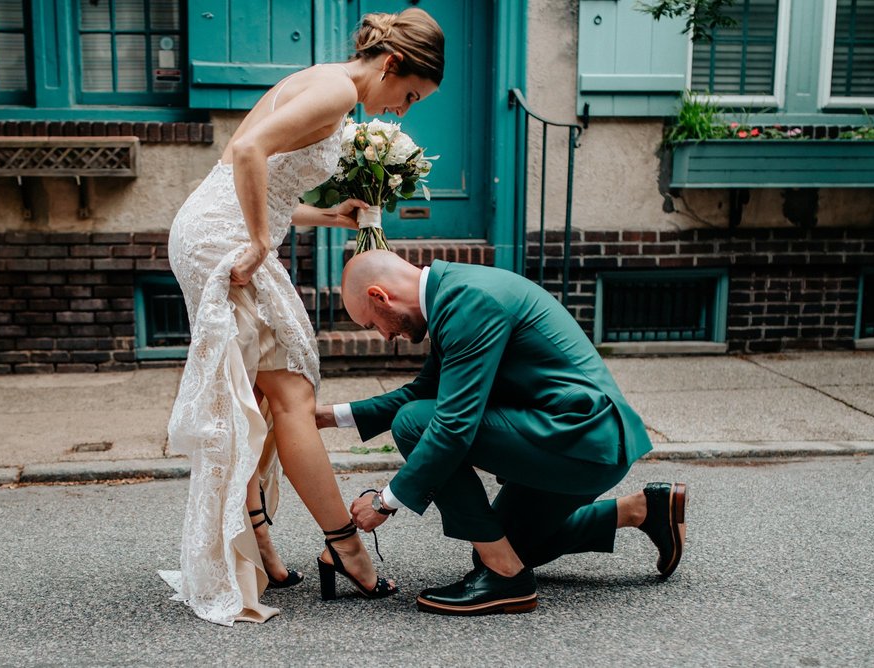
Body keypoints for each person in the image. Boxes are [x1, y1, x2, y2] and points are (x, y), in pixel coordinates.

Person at [160, 10, 445, 625]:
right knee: (291, 391)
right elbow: (246, 150)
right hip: (225, 237)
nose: (402, 111)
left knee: (262, 394)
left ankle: (258, 534)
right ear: (393, 65)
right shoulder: (338, 89)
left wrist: (328, 217)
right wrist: (262, 243)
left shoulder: (325, 81)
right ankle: (344, 546)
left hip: (214, 225)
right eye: (410, 95)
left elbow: (272, 179)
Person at [316, 250, 688, 616]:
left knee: (416, 424)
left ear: (379, 296)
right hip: (578, 439)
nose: (384, 336)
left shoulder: (468, 302)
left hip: (580, 438)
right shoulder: (455, 293)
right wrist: (326, 417)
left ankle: (505, 578)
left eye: (372, 324)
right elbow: (423, 391)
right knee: (501, 544)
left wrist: (386, 501)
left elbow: (452, 426)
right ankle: (642, 510)